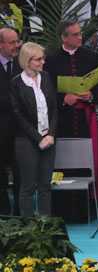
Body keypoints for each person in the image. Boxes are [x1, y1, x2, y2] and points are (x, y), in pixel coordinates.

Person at [44, 20, 98, 202]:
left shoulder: (91, 57)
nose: (80, 37)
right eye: (75, 35)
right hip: (62, 118)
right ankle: (64, 206)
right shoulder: (51, 60)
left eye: (80, 33)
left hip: (86, 117)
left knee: (89, 158)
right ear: (63, 37)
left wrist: (92, 94)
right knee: (63, 160)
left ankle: (88, 204)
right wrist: (62, 98)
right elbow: (45, 90)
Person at [9, 42, 57, 217]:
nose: (43, 62)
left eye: (42, 58)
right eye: (39, 59)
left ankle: (46, 226)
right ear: (28, 61)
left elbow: (53, 108)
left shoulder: (45, 77)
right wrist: (39, 138)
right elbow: (18, 116)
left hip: (48, 138)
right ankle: (28, 229)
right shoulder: (16, 83)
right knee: (28, 187)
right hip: (26, 141)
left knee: (45, 186)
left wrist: (51, 134)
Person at [0, 28, 22, 215]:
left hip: (20, 132)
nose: (17, 46)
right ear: (1, 45)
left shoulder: (22, 66)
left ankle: (22, 216)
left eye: (17, 41)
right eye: (12, 42)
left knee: (21, 175)